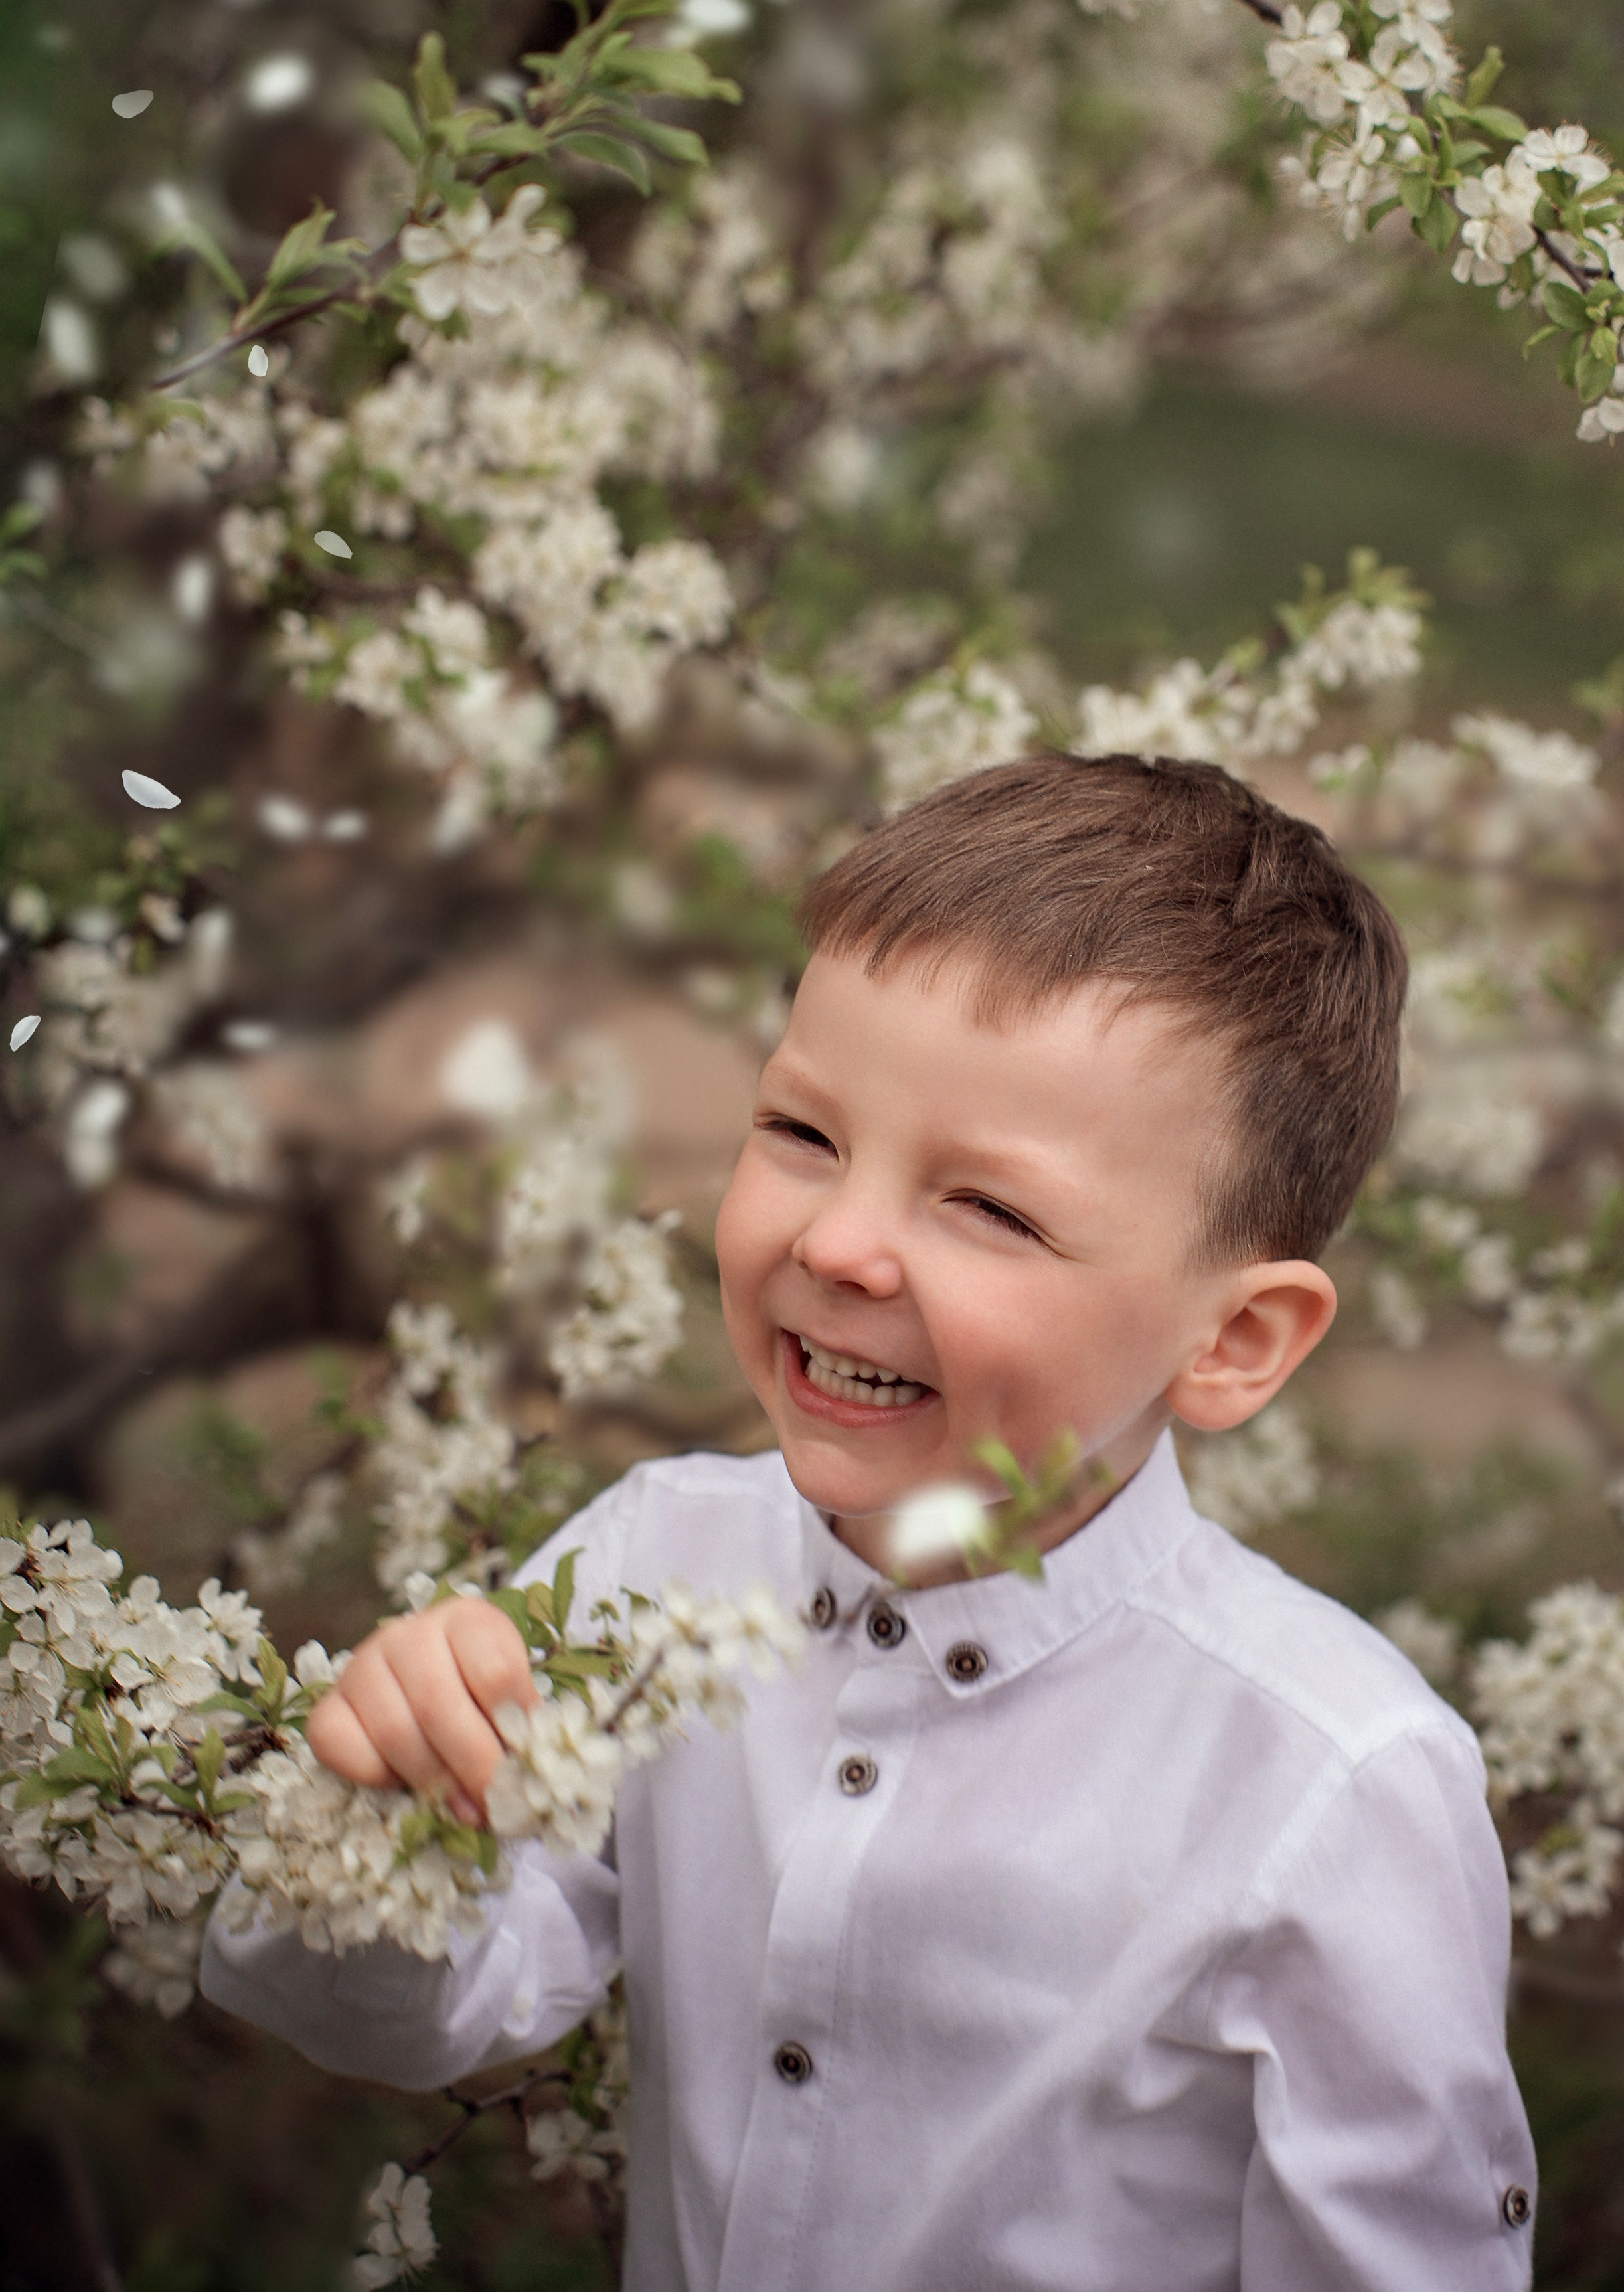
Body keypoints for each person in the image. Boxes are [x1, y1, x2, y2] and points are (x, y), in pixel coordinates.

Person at [201, 752, 1537, 2291]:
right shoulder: (654, 1565)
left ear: (1230, 1343)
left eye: (988, 1208)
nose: (836, 1242)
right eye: (801, 1134)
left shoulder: (1327, 1782)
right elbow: (412, 2015)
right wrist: (388, 1807)